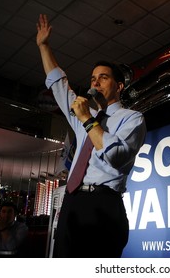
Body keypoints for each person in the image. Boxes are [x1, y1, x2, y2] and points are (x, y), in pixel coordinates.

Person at [36, 14, 147, 257]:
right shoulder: (86, 113)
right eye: (93, 78)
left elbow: (116, 156)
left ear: (119, 86)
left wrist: (87, 119)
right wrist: (44, 46)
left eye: (103, 78)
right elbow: (58, 84)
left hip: (103, 204)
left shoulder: (131, 118)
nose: (95, 83)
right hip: (71, 202)